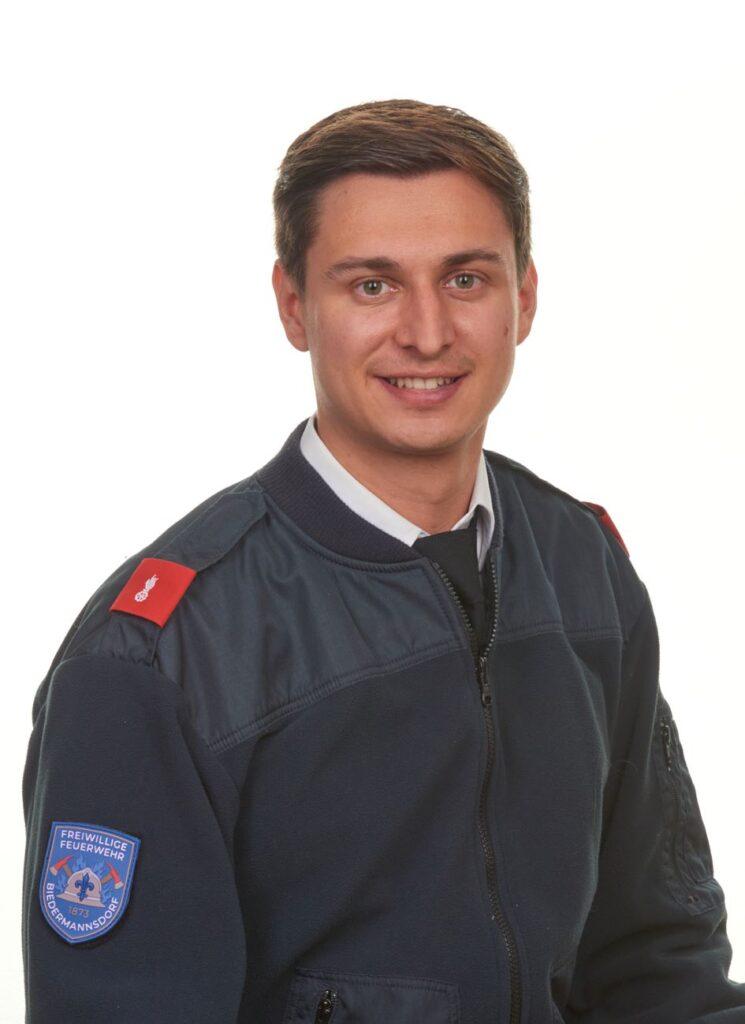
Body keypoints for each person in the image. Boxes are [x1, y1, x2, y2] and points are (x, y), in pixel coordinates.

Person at [21, 98, 745, 1023]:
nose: (426, 333)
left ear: (524, 297)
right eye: (372, 286)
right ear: (294, 305)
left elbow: (659, 970)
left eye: (465, 279)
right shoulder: (155, 660)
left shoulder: (582, 568)